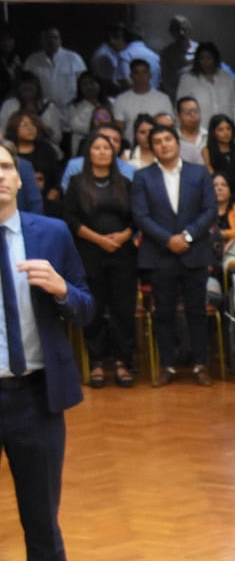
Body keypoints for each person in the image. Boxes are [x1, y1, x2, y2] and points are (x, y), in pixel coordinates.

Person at [0, 140, 96, 561]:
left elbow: (85, 307)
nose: (0, 176)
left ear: (20, 178)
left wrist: (62, 290)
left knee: (42, 521)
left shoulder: (50, 234)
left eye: (7, 167)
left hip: (36, 399)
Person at [132, 123, 217, 386]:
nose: (164, 145)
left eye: (168, 139)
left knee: (196, 311)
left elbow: (210, 209)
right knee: (164, 312)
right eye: (157, 141)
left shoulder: (199, 172)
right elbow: (140, 215)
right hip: (160, 254)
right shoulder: (143, 177)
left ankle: (200, 365)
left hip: (194, 252)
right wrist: (168, 240)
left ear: (177, 143)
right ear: (152, 147)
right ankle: (167, 366)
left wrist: (187, 236)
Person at [63, 132, 138, 390]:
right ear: (89, 153)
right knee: (93, 309)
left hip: (123, 255)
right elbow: (71, 220)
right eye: (97, 147)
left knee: (122, 310)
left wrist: (123, 236)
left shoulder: (125, 183)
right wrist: (99, 239)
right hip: (90, 254)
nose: (103, 152)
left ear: (113, 153)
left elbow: (136, 218)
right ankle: (96, 362)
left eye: (107, 147)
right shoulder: (76, 183)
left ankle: (122, 362)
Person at [175, 43, 235, 135]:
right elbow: (181, 107)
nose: (206, 62)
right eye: (202, 58)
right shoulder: (188, 79)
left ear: (215, 59)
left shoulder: (226, 77)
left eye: (209, 58)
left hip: (226, 131)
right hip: (201, 131)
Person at [22, 28, 85, 112]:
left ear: (60, 40)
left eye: (55, 37)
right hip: (43, 110)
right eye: (47, 38)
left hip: (71, 109)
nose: (51, 41)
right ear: (41, 41)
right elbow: (25, 86)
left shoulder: (74, 58)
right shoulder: (32, 61)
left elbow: (84, 83)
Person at [111, 59, 171, 148]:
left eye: (144, 72)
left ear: (150, 75)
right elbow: (118, 129)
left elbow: (169, 125)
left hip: (158, 147)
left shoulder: (163, 99)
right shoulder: (121, 100)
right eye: (137, 73)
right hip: (130, 148)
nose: (141, 76)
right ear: (131, 76)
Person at [6, 113, 60, 203]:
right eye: (24, 125)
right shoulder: (8, 153)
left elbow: (58, 175)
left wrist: (54, 192)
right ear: (14, 129)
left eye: (33, 124)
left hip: (47, 200)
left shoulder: (46, 149)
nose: (30, 128)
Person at [0, 73, 62, 150]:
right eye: (24, 90)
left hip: (46, 152)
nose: (28, 93)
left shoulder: (49, 106)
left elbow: (57, 138)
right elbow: (3, 133)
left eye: (30, 89)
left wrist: (43, 127)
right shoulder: (9, 105)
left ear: (37, 89)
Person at [202, 113, 235, 198]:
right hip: (219, 192)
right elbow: (212, 175)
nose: (225, 132)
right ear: (214, 132)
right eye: (220, 130)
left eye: (228, 129)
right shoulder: (207, 151)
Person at [157, 16, 193, 99]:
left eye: (184, 29)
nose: (181, 33)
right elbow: (166, 81)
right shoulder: (166, 54)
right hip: (176, 97)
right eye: (177, 30)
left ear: (189, 30)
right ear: (172, 32)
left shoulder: (199, 51)